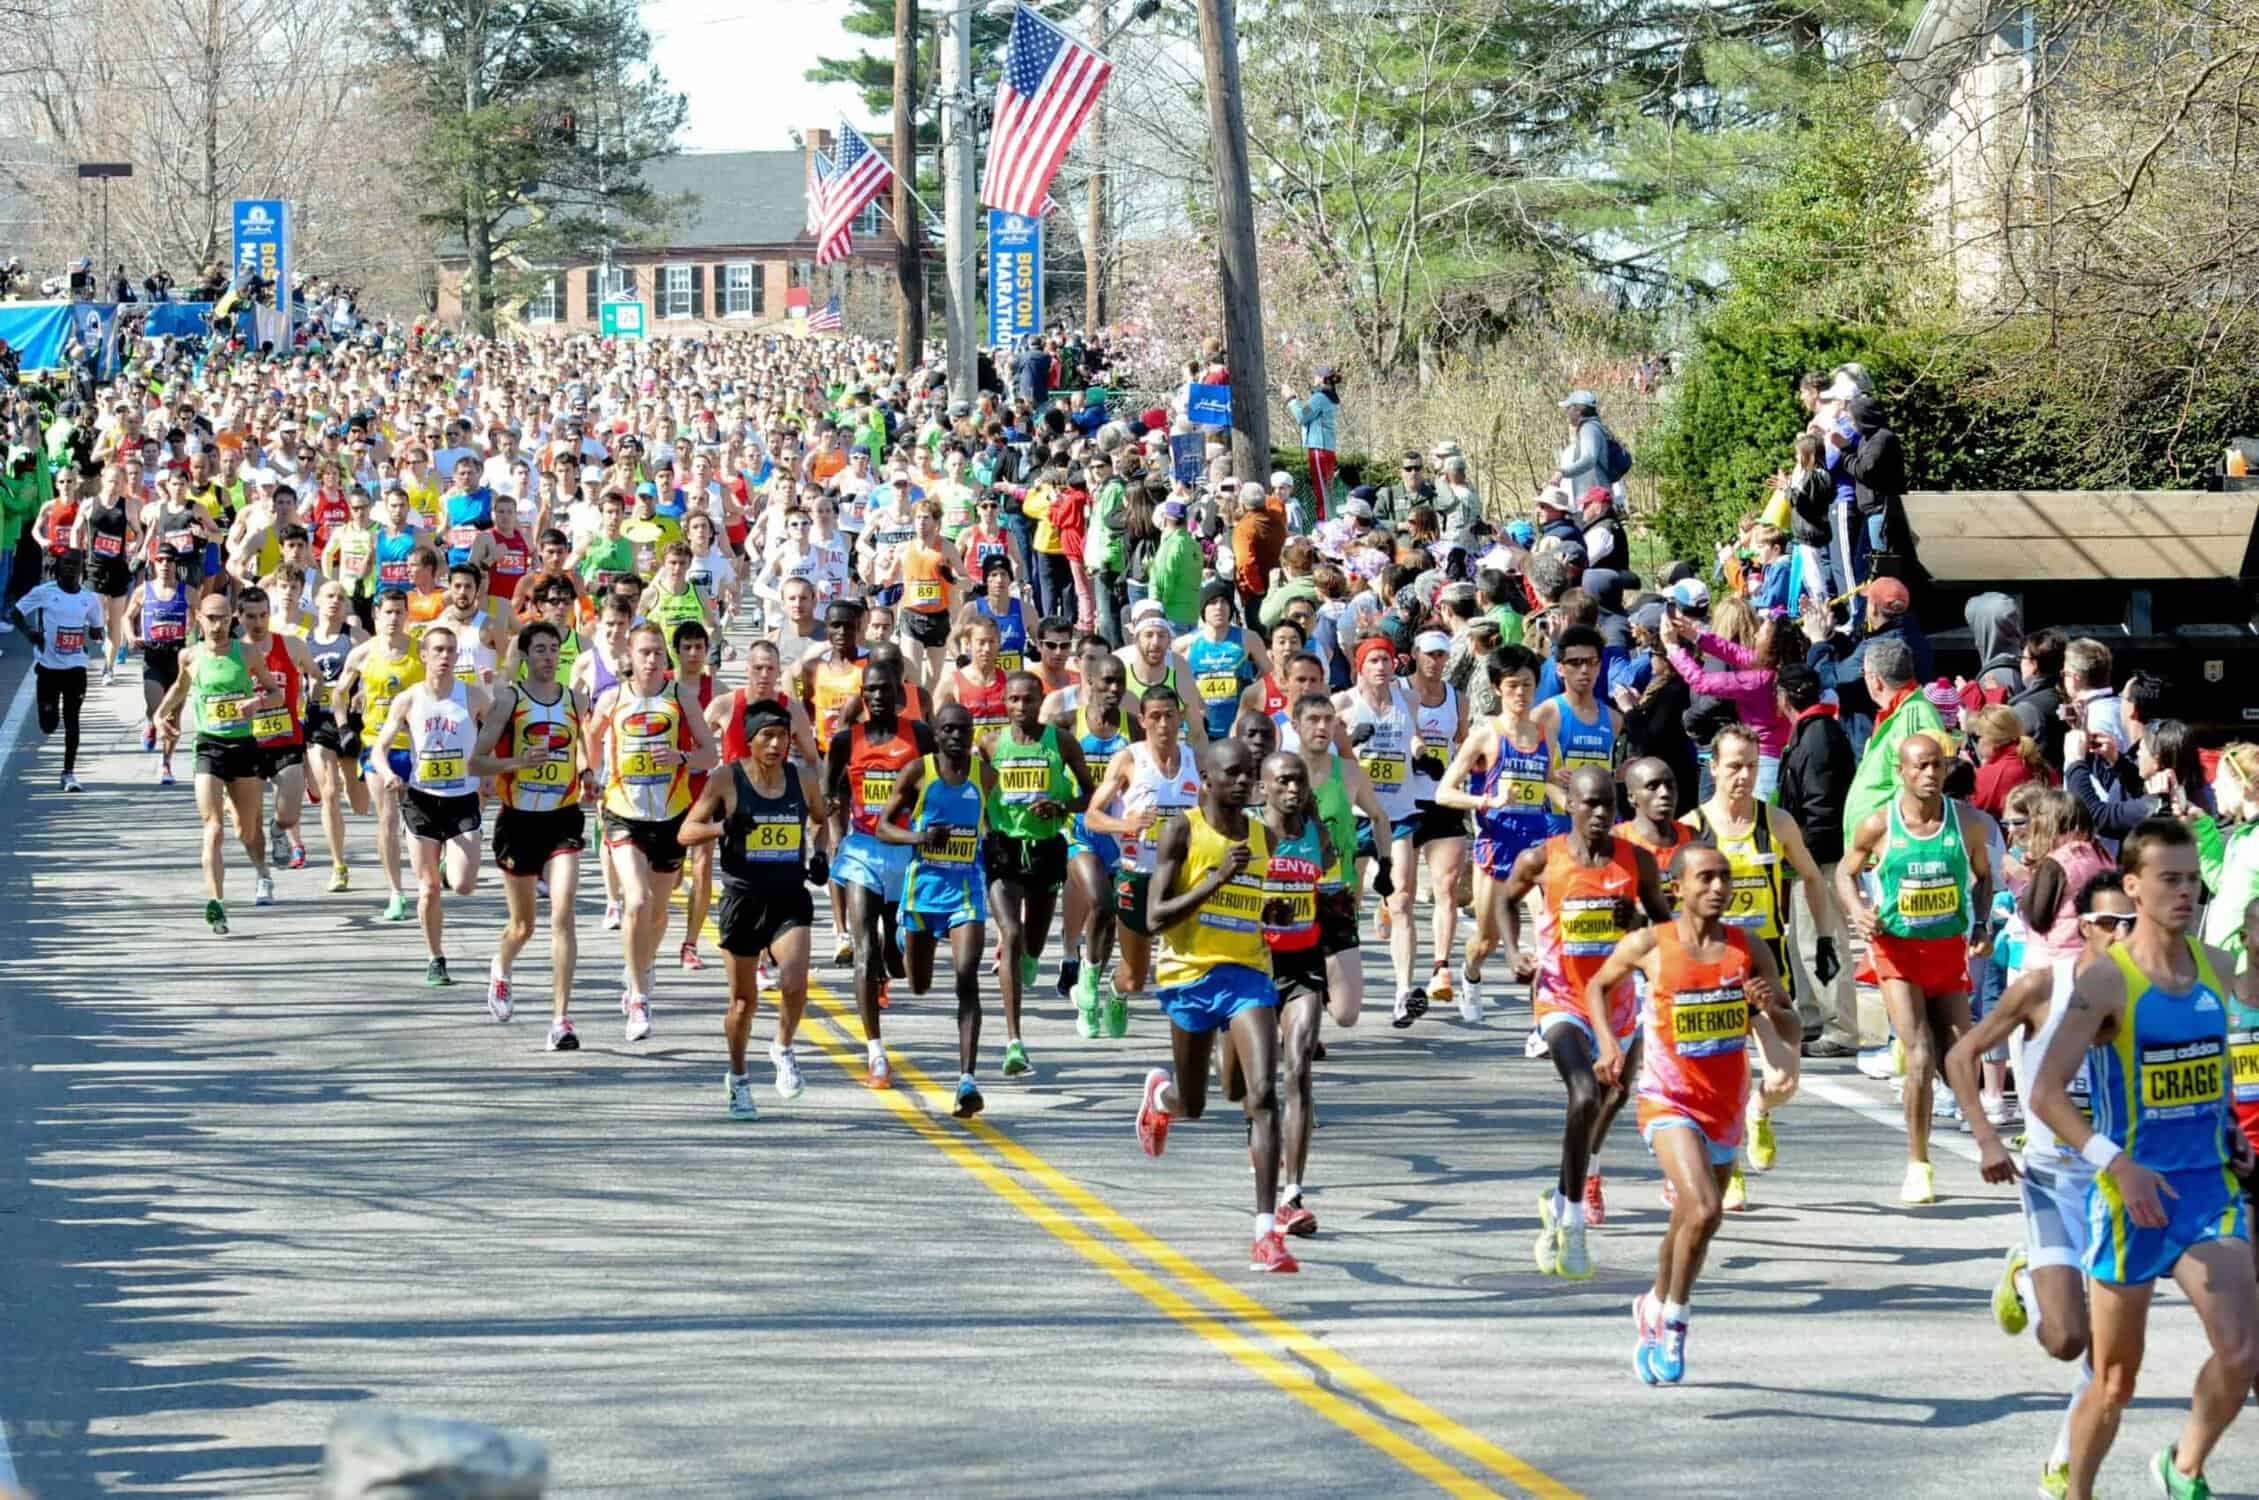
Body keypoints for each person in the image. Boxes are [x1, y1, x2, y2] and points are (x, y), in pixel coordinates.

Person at [2028, 818, 2258, 1500]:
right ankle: (2077, 1492)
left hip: (2206, 1193)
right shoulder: (2106, 982)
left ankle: (2181, 1465)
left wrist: (2226, 1128)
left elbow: (2206, 1066)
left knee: (2242, 1353)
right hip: (2131, 1202)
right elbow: (2044, 1095)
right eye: (2169, 880)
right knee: (2116, 1380)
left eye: (2192, 879)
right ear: (2132, 887)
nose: (2184, 892)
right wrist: (2117, 1166)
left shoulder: (2216, 968)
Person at [1945, 870, 2135, 1500]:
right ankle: (2025, 1272)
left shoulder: (2149, 996)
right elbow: (1961, 1055)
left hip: (2118, 1190)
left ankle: (2062, 1462)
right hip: (2053, 1180)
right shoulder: (2040, 989)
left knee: (2103, 1354)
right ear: (2085, 925)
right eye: (2114, 923)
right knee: (2064, 1338)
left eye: (2135, 923)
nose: (2125, 934)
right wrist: (1987, 1137)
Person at [1585, 844, 1796, 1385]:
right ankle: (1676, 1322)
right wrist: (1608, 1044)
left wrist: (1768, 1004)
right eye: (1705, 878)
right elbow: (1597, 985)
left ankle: (1655, 1302)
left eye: (1725, 878)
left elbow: (1794, 1030)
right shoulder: (1649, 945)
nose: (1719, 888)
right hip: (1667, 1099)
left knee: (1694, 1222)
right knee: (1703, 1207)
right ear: (1677, 887)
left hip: (1724, 1105)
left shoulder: (1748, 949)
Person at [1134, 737, 1299, 1274]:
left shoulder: (1262, 836)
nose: (1244, 782)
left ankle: (1265, 1234)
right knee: (1199, 1103)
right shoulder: (1182, 829)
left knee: (1261, 1095)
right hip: (1188, 976)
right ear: (1204, 779)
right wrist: (1216, 881)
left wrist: (1266, 906)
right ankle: (1163, 1100)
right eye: (1231, 773)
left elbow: (1250, 903)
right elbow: (1155, 917)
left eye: (1249, 774)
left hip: (1247, 973)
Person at [1500, 766, 1671, 1276]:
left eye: (1608, 806)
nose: (1599, 815)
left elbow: (1663, 925)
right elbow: (1505, 900)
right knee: (1583, 1094)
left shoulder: (1635, 862)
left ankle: (1559, 1198)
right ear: (1569, 806)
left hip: (1621, 1008)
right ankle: (1573, 1223)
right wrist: (1513, 953)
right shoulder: (1543, 859)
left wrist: (1636, 924)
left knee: (1610, 1098)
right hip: (1562, 1002)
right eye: (1589, 804)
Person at [1684, 724, 1840, 1208]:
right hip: (1712, 972)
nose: (1743, 777)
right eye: (1733, 766)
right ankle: (1729, 1173)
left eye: (1752, 766)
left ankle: (1759, 1109)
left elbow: (1813, 879)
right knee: (1721, 1079)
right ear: (1713, 767)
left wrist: (1827, 938)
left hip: (1767, 970)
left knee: (1783, 1081)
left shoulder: (1777, 823)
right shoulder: (1693, 827)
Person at [1837, 732, 1996, 1206]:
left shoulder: (1966, 822)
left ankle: (1991, 1138)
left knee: (1961, 1056)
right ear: (1902, 773)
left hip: (1947, 951)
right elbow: (1845, 871)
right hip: (1898, 953)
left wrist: (1983, 921)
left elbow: (1984, 876)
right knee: (1921, 1052)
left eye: (1938, 766)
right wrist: (1859, 907)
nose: (1930, 775)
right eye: (1921, 767)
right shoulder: (1879, 824)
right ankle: (1918, 1164)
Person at [679, 699, 832, 1116]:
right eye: (768, 736)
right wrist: (724, 827)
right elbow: (685, 833)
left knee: (795, 980)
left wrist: (820, 855)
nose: (777, 744)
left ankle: (782, 1047)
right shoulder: (727, 779)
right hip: (743, 899)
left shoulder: (802, 778)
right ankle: (739, 1076)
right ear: (749, 740)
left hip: (787, 896)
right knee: (744, 1002)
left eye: (783, 736)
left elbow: (821, 821)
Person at [591, 621, 720, 1040]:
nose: (651, 660)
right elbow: (587, 737)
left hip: (669, 815)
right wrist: (591, 775)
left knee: (659, 913)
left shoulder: (680, 696)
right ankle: (638, 994)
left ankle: (642, 964)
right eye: (643, 652)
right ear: (629, 656)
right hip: (622, 811)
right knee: (637, 901)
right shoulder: (613, 698)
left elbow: (708, 752)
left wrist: (680, 757)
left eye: (657, 653)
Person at [470, 618, 589, 1048]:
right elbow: (476, 763)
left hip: (563, 817)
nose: (547, 656)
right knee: (523, 926)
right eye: (538, 649)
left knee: (563, 912)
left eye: (553, 649)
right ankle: (501, 967)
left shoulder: (575, 700)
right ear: (525, 655)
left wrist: (588, 772)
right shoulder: (509, 700)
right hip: (519, 820)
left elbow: (582, 750)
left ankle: (561, 1019)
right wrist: (518, 764)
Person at [875, 703, 997, 1117]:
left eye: (964, 730)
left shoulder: (985, 775)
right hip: (922, 891)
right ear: (937, 734)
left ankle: (967, 1080)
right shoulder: (918, 772)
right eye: (948, 730)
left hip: (966, 892)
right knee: (919, 983)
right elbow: (883, 827)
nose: (957, 738)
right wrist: (920, 837)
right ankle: (895, 938)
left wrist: (994, 840)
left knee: (967, 979)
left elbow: (992, 822)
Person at [826, 662, 937, 1088]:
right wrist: (833, 828)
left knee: (897, 958)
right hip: (863, 853)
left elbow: (936, 783)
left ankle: (891, 958)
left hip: (907, 852)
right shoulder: (844, 741)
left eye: (885, 689)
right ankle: (875, 1052)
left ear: (899, 693)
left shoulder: (919, 736)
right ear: (862, 694)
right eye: (869, 690)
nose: (876, 697)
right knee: (864, 948)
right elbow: (829, 791)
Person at [364, 625, 491, 988]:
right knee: (428, 889)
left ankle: (449, 859)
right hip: (421, 799)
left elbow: (493, 733)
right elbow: (379, 747)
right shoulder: (409, 698)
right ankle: (436, 957)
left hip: (462, 799)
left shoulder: (472, 696)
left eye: (451, 650)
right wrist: (387, 772)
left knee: (464, 885)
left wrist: (487, 771)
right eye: (437, 650)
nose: (445, 657)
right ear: (423, 655)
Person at [983, 670, 1093, 1076]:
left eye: (1028, 699)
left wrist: (1062, 807)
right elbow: (979, 791)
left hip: (1046, 847)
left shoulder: (1061, 742)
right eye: (1013, 699)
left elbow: (1090, 795)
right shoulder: (991, 743)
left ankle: (1029, 957)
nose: (1020, 707)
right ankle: (1014, 1041)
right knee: (1010, 933)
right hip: (1005, 848)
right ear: (1004, 702)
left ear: (1039, 700)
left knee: (1032, 943)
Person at [153, 590, 281, 934]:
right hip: (209, 746)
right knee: (213, 828)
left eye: (224, 618)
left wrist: (257, 703)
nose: (218, 625)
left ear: (233, 619)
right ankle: (217, 903)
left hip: (243, 745)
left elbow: (275, 692)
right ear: (199, 619)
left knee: (246, 828)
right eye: (211, 618)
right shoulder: (190, 656)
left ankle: (263, 873)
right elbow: (180, 689)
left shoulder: (249, 652)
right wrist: (159, 715)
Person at [1437, 645, 1553, 1017]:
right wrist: (1487, 802)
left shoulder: (1542, 734)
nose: (1521, 693)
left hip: (1535, 846)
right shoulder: (1486, 737)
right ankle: (1470, 975)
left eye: (1528, 685)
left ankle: (1545, 1011)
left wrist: (1568, 788)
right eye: (1514, 685)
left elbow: (1550, 782)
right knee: (1486, 942)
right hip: (1496, 846)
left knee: (1546, 925)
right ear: (1497, 688)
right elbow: (1445, 792)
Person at [1256, 748, 1339, 1238]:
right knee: (1254, 1085)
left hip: (1303, 963)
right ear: (1263, 786)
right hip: (1254, 966)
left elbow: (1326, 875)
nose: (1292, 789)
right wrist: (1265, 915)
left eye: (1299, 781)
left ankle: (1293, 1193)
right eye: (1283, 781)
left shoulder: (1315, 833)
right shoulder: (1250, 835)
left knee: (1300, 1067)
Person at [1083, 685, 1207, 1008]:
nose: (1163, 724)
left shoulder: (1196, 761)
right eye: (1155, 717)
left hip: (1181, 876)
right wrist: (1126, 824)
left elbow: (1212, 815)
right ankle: (1114, 990)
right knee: (1135, 978)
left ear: (1180, 718)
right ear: (1142, 720)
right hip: (1137, 875)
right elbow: (1092, 817)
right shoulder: (1128, 759)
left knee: (1191, 961)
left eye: (1169, 716)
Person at [1336, 636, 1427, 1024]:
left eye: (1387, 660)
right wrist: (1349, 745)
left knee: (1402, 900)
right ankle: (1344, 982)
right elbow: (1323, 747)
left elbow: (1414, 735)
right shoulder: (1342, 704)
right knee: (1348, 905)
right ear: (1360, 666)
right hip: (1356, 814)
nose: (1381, 667)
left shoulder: (1409, 701)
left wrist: (1422, 752)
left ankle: (1404, 992)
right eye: (1373, 660)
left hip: (1398, 813)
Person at [1774, 663, 1860, 1056]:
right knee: (1802, 941)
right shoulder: (1814, 732)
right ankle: (1810, 1017)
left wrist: (1804, 857)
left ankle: (1839, 1026)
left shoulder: (1818, 737)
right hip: (1807, 857)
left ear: (1784, 697)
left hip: (1818, 859)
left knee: (1823, 942)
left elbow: (1821, 806)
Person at [334, 589, 426, 922]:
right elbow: (339, 694)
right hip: (378, 745)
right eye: (388, 612)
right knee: (387, 818)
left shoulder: (421, 651)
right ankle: (397, 892)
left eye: (400, 612)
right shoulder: (362, 654)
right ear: (376, 615)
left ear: (407, 615)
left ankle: (428, 877)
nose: (394, 618)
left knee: (420, 821)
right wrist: (344, 727)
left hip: (418, 746)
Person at [1059, 651, 1134, 1036]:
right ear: (1089, 683)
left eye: (1120, 682)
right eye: (1106, 681)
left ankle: (1098, 991)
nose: (1113, 689)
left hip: (1121, 836)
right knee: (1101, 903)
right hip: (1081, 832)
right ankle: (1086, 978)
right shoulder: (1068, 724)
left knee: (1113, 921)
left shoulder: (1133, 727)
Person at [12, 548, 104, 792]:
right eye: (66, 564)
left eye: (75, 564)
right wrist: (30, 633)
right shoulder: (44, 592)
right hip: (49, 668)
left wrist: (96, 633)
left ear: (82, 568)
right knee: (49, 725)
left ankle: (68, 773)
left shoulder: (89, 598)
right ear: (58, 566)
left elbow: (97, 628)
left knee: (72, 720)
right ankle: (49, 716)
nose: (71, 568)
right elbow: (16, 612)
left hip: (76, 667)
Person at [126, 546, 193, 784]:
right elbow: (127, 617)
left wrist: (198, 636)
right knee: (158, 711)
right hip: (153, 658)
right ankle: (151, 723)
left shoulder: (188, 592)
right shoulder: (144, 591)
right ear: (154, 564)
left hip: (178, 660)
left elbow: (201, 617)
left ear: (176, 564)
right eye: (160, 560)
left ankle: (166, 765)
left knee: (174, 717)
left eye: (169, 560)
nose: (165, 564)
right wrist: (131, 636)